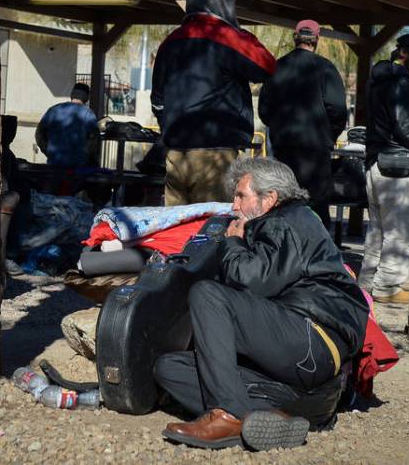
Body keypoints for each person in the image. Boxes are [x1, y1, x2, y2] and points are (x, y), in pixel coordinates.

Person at [154, 157, 368, 451]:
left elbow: (252, 282)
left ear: (269, 198)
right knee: (169, 368)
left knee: (208, 294)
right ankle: (282, 414)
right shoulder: (280, 221)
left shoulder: (285, 221)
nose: (234, 206)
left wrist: (232, 244)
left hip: (312, 336)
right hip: (291, 352)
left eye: (241, 195)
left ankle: (229, 414)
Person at [151, 0, 276, 206]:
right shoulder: (226, 37)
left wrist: (169, 128)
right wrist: (242, 33)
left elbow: (157, 100)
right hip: (215, 151)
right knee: (211, 228)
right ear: (225, 2)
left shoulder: (170, 42)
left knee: (175, 226)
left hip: (176, 150)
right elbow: (266, 66)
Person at [358, 34, 409, 304]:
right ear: (407, 53)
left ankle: (367, 283)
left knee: (377, 229)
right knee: (400, 230)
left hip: (376, 161)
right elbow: (405, 125)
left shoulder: (377, 78)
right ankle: (388, 287)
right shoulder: (400, 82)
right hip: (397, 164)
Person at [259, 19, 347, 230]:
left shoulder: (276, 66)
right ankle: (315, 254)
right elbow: (338, 109)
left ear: (294, 38)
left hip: (283, 147)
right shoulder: (326, 68)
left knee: (282, 200)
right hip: (315, 150)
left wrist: (280, 128)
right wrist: (328, 135)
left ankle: (279, 248)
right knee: (315, 204)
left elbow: (264, 110)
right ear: (317, 39)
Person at [34, 83, 99, 167]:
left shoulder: (54, 110)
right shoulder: (88, 113)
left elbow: (39, 134)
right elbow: (94, 140)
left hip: (54, 165)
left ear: (72, 95)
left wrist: (48, 152)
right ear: (86, 98)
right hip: (77, 168)